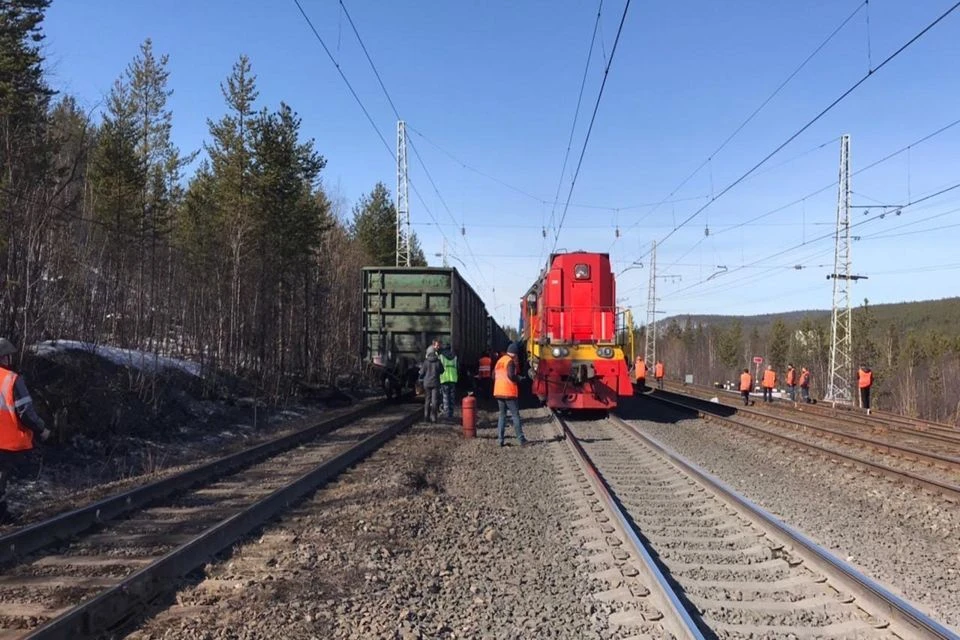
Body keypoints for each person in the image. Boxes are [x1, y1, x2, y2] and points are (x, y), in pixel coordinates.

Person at [0, 338, 51, 523]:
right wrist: (41, 429)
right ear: (4, 358)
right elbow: (25, 412)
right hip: (6, 441)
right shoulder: (11, 379)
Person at [494, 343, 527, 447]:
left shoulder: (500, 361)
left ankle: (500, 440)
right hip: (508, 392)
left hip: (498, 392)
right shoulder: (510, 362)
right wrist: (520, 379)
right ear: (515, 354)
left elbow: (493, 375)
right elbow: (511, 375)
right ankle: (521, 440)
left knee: (502, 416)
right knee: (515, 416)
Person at [418, 347, 444, 423]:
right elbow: (442, 371)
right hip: (435, 383)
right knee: (435, 400)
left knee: (427, 400)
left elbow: (422, 373)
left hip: (427, 384)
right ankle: (434, 418)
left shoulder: (426, 362)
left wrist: (420, 378)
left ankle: (426, 418)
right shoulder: (438, 362)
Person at [438, 343, 458, 419]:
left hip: (444, 379)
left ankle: (446, 414)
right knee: (452, 397)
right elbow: (458, 368)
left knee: (445, 397)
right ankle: (451, 413)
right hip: (453, 379)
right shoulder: (455, 357)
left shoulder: (441, 357)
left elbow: (439, 368)